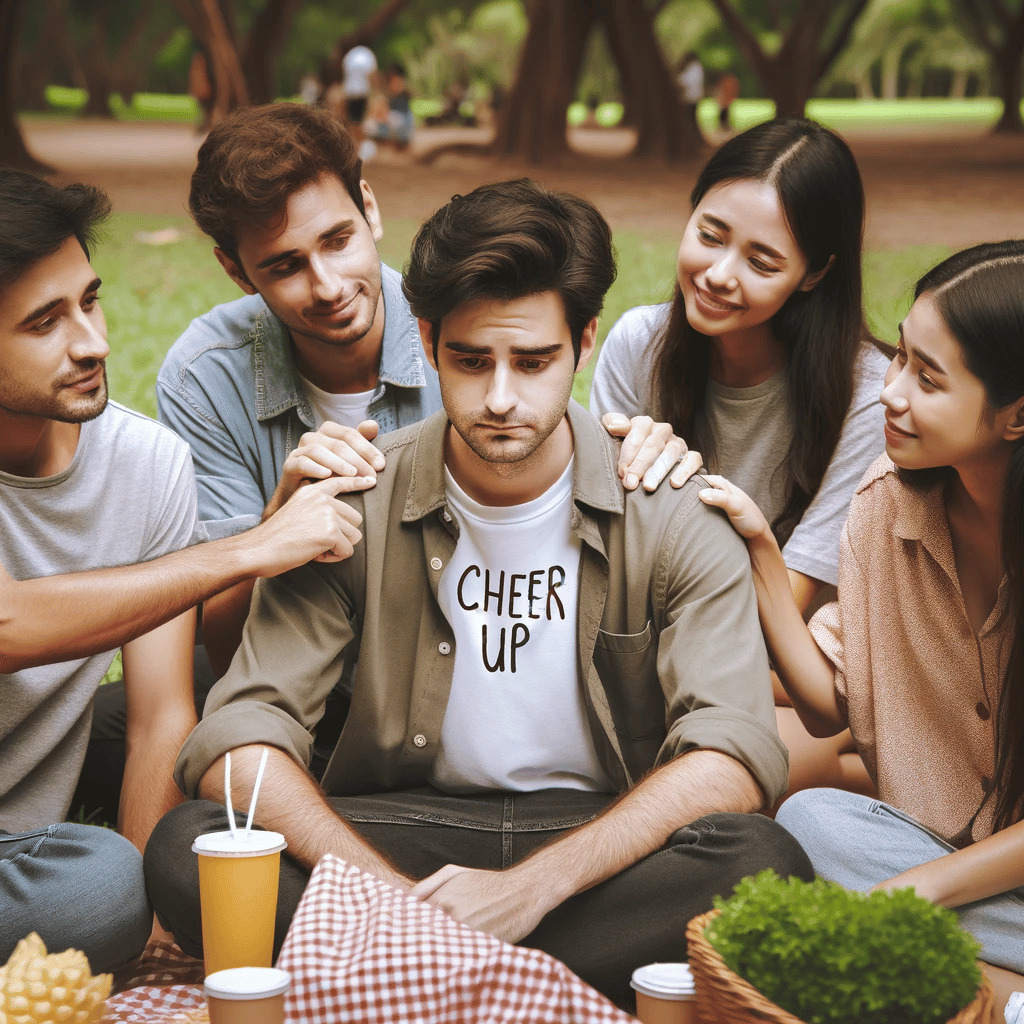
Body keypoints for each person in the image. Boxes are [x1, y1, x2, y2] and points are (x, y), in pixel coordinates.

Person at [146, 178, 812, 1003]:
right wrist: (381, 893)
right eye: (470, 360)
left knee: (759, 860)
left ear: (587, 341)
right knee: (193, 844)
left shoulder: (673, 508)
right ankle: (505, 973)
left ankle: (401, 971)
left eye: (533, 362)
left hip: (597, 837)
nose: (501, 398)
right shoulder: (352, 500)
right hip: (400, 833)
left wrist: (532, 889)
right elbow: (242, 734)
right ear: (426, 341)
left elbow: (735, 755)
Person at [157, 103, 692, 683]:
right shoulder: (203, 376)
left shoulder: (467, 318)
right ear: (237, 272)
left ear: (369, 208)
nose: (329, 286)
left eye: (337, 241)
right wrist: (271, 536)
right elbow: (224, 648)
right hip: (297, 680)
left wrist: (635, 455)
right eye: (286, 266)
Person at [0, 170, 361, 971]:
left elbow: (165, 712)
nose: (93, 342)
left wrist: (138, 913)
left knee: (104, 887)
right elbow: (9, 623)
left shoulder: (146, 462)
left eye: (88, 302)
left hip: (19, 856)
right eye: (43, 323)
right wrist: (246, 549)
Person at [700, 241, 1024, 1015]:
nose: (892, 392)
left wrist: (915, 894)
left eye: (929, 378)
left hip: (952, 877)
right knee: (810, 820)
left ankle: (968, 974)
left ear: (1016, 415)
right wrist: (760, 555)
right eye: (901, 357)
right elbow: (825, 706)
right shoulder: (886, 508)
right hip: (936, 853)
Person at [590, 117, 891, 804]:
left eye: (761, 262)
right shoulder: (640, 345)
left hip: (800, 680)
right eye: (709, 235)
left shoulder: (868, 395)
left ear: (815, 273)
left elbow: (786, 620)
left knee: (677, 777)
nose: (719, 276)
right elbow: (608, 567)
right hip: (699, 667)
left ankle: (881, 763)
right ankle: (866, 769)